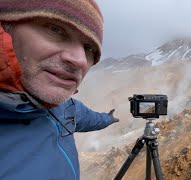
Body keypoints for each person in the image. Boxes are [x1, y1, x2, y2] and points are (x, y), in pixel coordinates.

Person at [0, 1, 119, 179]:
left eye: (89, 48)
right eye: (55, 29)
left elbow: (88, 118)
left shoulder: (63, 107)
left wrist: (108, 118)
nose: (79, 60)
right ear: (4, 26)